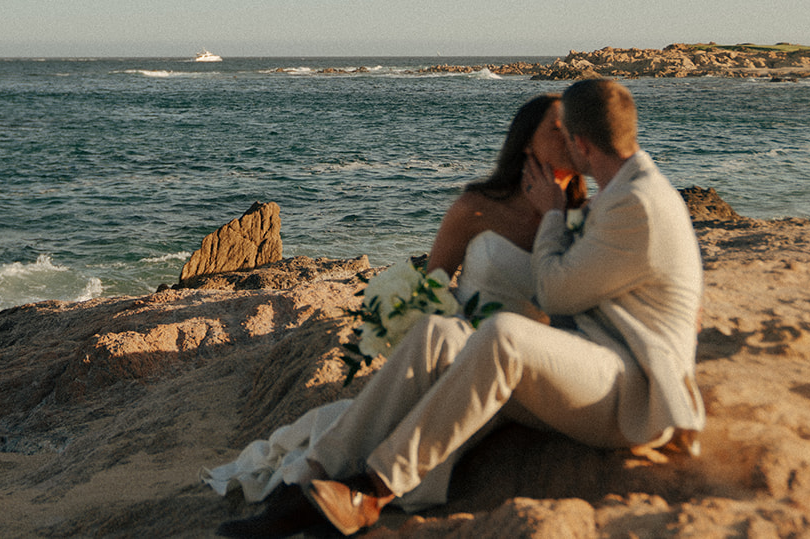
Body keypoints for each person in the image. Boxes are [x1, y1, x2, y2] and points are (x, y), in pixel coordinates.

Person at [287, 78, 705, 535]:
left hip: (631, 389)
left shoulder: (635, 202)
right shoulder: (619, 195)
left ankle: (375, 490)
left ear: (581, 145)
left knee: (504, 335)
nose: (562, 141)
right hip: (589, 358)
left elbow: (556, 294)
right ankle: (315, 476)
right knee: (437, 334)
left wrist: (551, 214)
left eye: (565, 132)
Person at [424, 93, 585, 319]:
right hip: (469, 343)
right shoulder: (475, 207)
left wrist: (554, 213)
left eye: (576, 130)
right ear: (527, 141)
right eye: (558, 129)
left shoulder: (590, 216)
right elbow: (430, 291)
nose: (571, 138)